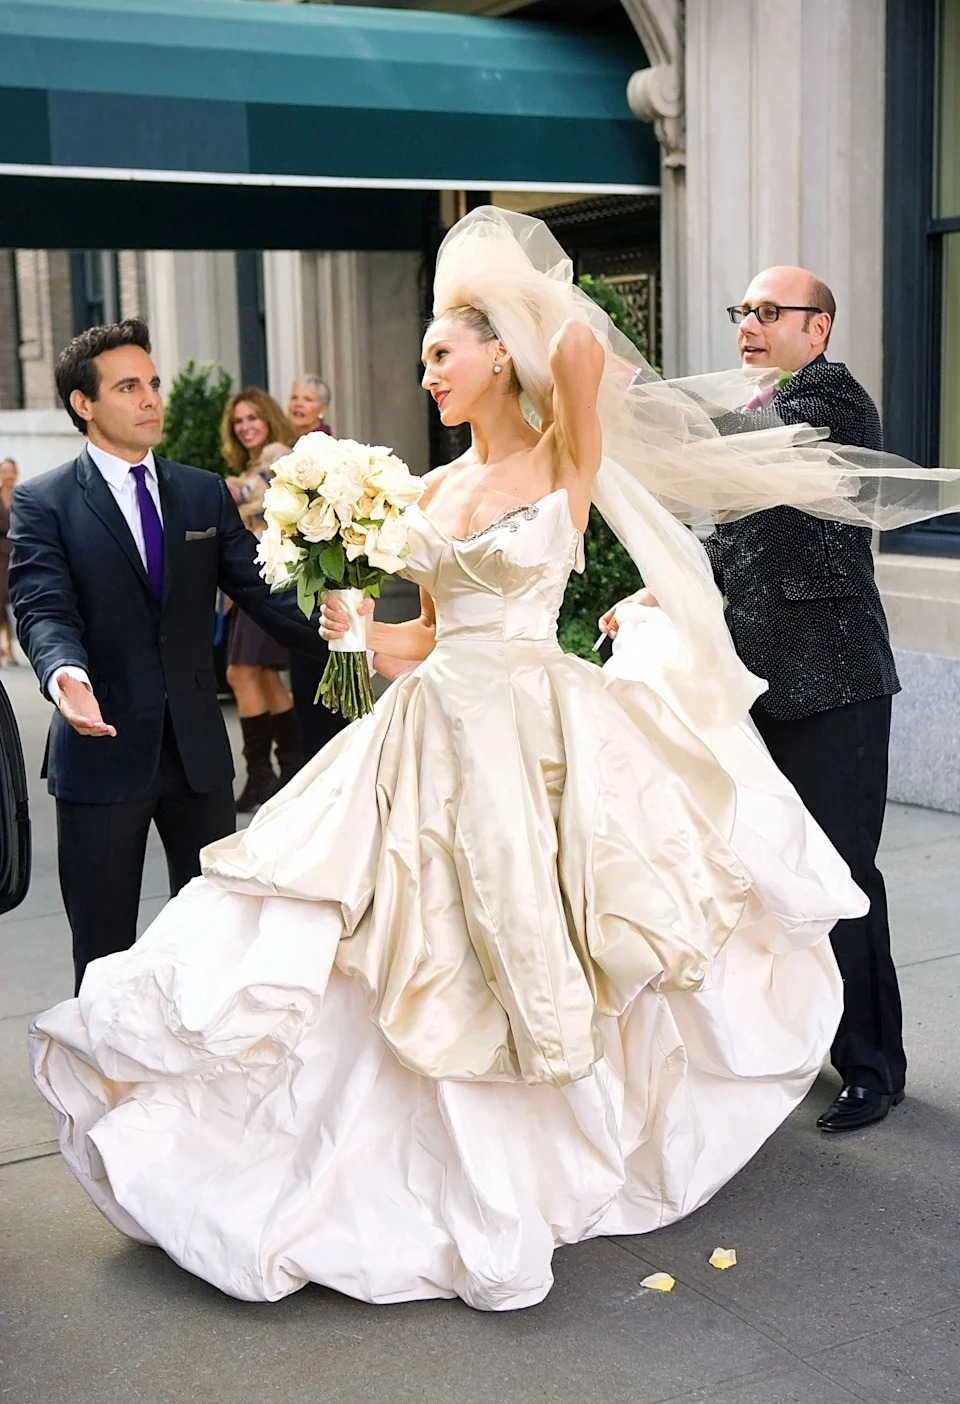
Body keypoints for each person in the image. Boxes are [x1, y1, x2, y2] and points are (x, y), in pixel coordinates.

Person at [26, 211, 941, 1312]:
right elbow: (414, 643)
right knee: (396, 941)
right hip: (434, 726)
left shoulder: (564, 455)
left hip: (540, 725)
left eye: (441, 355)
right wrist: (356, 625)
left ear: (498, 353)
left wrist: (509, 296)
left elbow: (586, 354)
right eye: (421, 362)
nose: (427, 377)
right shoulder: (428, 492)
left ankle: (571, 1136)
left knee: (550, 926)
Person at [602, 268, 905, 1135]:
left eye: (771, 312)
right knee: (776, 878)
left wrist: (630, 387)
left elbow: (728, 439)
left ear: (819, 327)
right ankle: (802, 1038)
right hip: (757, 687)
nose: (750, 324)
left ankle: (873, 1066)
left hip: (834, 682)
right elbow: (731, 538)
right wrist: (657, 593)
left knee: (843, 876)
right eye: (742, 310)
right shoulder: (757, 420)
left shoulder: (827, 398)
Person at [9, 318, 329, 994]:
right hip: (101, 755)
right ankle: (105, 1093)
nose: (152, 398)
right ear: (83, 404)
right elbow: (42, 607)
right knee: (104, 959)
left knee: (215, 947)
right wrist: (66, 676)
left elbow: (261, 593)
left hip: (198, 758)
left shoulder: (200, 491)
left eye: (153, 383)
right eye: (129, 387)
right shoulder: (45, 503)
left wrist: (347, 635)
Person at [220, 388, 301, 810]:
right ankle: (287, 771)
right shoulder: (252, 465)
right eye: (238, 421)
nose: (245, 426)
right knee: (263, 675)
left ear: (268, 419)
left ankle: (264, 775)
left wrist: (235, 496)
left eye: (253, 417)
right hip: (251, 581)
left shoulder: (278, 454)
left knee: (241, 672)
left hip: (268, 577)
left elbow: (276, 505)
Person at [286, 376, 350, 761]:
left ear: (322, 408)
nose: (298, 403)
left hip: (328, 580)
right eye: (294, 396)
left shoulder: (332, 454)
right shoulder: (291, 453)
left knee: (323, 692)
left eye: (307, 398)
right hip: (301, 579)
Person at [0, 457, 19, 665]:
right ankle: (4, 645)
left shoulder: (23, 496)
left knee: (13, 603)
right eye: (4, 471)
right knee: (0, 602)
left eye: (11, 471)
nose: (8, 475)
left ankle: (9, 645)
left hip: (18, 555)